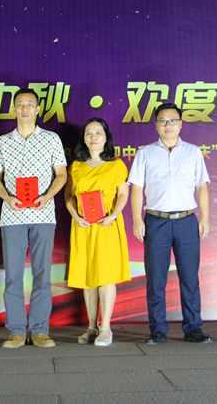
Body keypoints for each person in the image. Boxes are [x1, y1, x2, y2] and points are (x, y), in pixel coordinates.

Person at [128, 103, 213, 345]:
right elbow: (137, 188)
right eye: (163, 121)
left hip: (187, 221)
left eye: (172, 120)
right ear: (156, 125)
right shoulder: (145, 153)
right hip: (156, 222)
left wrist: (205, 217)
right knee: (156, 279)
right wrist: (137, 219)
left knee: (189, 278)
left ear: (180, 124)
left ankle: (193, 328)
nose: (168, 125)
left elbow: (201, 187)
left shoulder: (193, 152)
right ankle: (158, 330)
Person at [0, 88, 67, 348]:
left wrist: (47, 197)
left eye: (30, 104)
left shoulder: (51, 139)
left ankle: (39, 330)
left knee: (42, 274)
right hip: (11, 215)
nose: (25, 109)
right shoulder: (2, 142)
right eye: (20, 104)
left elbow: (61, 175)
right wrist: (7, 197)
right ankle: (15, 331)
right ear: (13, 109)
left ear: (38, 109)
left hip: (43, 213)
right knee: (13, 275)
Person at [65, 118, 130, 347]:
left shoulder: (116, 165)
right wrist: (76, 216)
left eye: (98, 133)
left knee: (106, 275)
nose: (93, 137)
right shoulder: (76, 166)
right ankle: (91, 326)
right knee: (88, 277)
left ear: (106, 137)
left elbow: (123, 194)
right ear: (84, 138)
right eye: (89, 133)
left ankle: (106, 327)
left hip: (106, 225)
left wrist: (113, 215)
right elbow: (69, 195)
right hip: (83, 226)